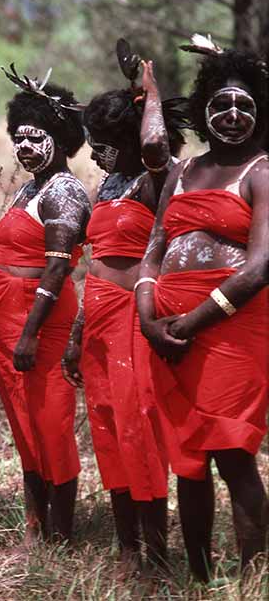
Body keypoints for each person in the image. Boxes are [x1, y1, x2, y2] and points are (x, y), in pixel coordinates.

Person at [136, 44, 269, 581]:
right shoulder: (184, 170)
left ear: (260, 112)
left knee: (233, 452)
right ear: (202, 111)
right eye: (220, 105)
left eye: (244, 105)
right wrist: (147, 318)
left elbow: (260, 267)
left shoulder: (262, 171)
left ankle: (253, 578)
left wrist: (191, 322)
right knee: (188, 460)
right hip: (168, 332)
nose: (232, 115)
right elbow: (153, 249)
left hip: (232, 330)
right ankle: (198, 579)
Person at [62, 55, 188, 572]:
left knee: (140, 427)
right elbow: (94, 263)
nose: (94, 154)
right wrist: (77, 333)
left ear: (130, 139)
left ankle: (155, 552)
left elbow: (156, 146)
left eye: (103, 143)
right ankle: (127, 546)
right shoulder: (108, 186)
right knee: (107, 426)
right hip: (97, 319)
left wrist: (149, 92)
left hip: (136, 319)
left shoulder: (159, 180)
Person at [0, 70, 90, 545]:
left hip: (38, 327)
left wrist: (29, 334)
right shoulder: (31, 188)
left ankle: (61, 534)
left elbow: (57, 268)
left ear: (59, 141)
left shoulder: (63, 191)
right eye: (18, 138)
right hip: (7, 327)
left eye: (35, 138)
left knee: (51, 424)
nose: (24, 147)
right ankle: (35, 526)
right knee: (25, 425)